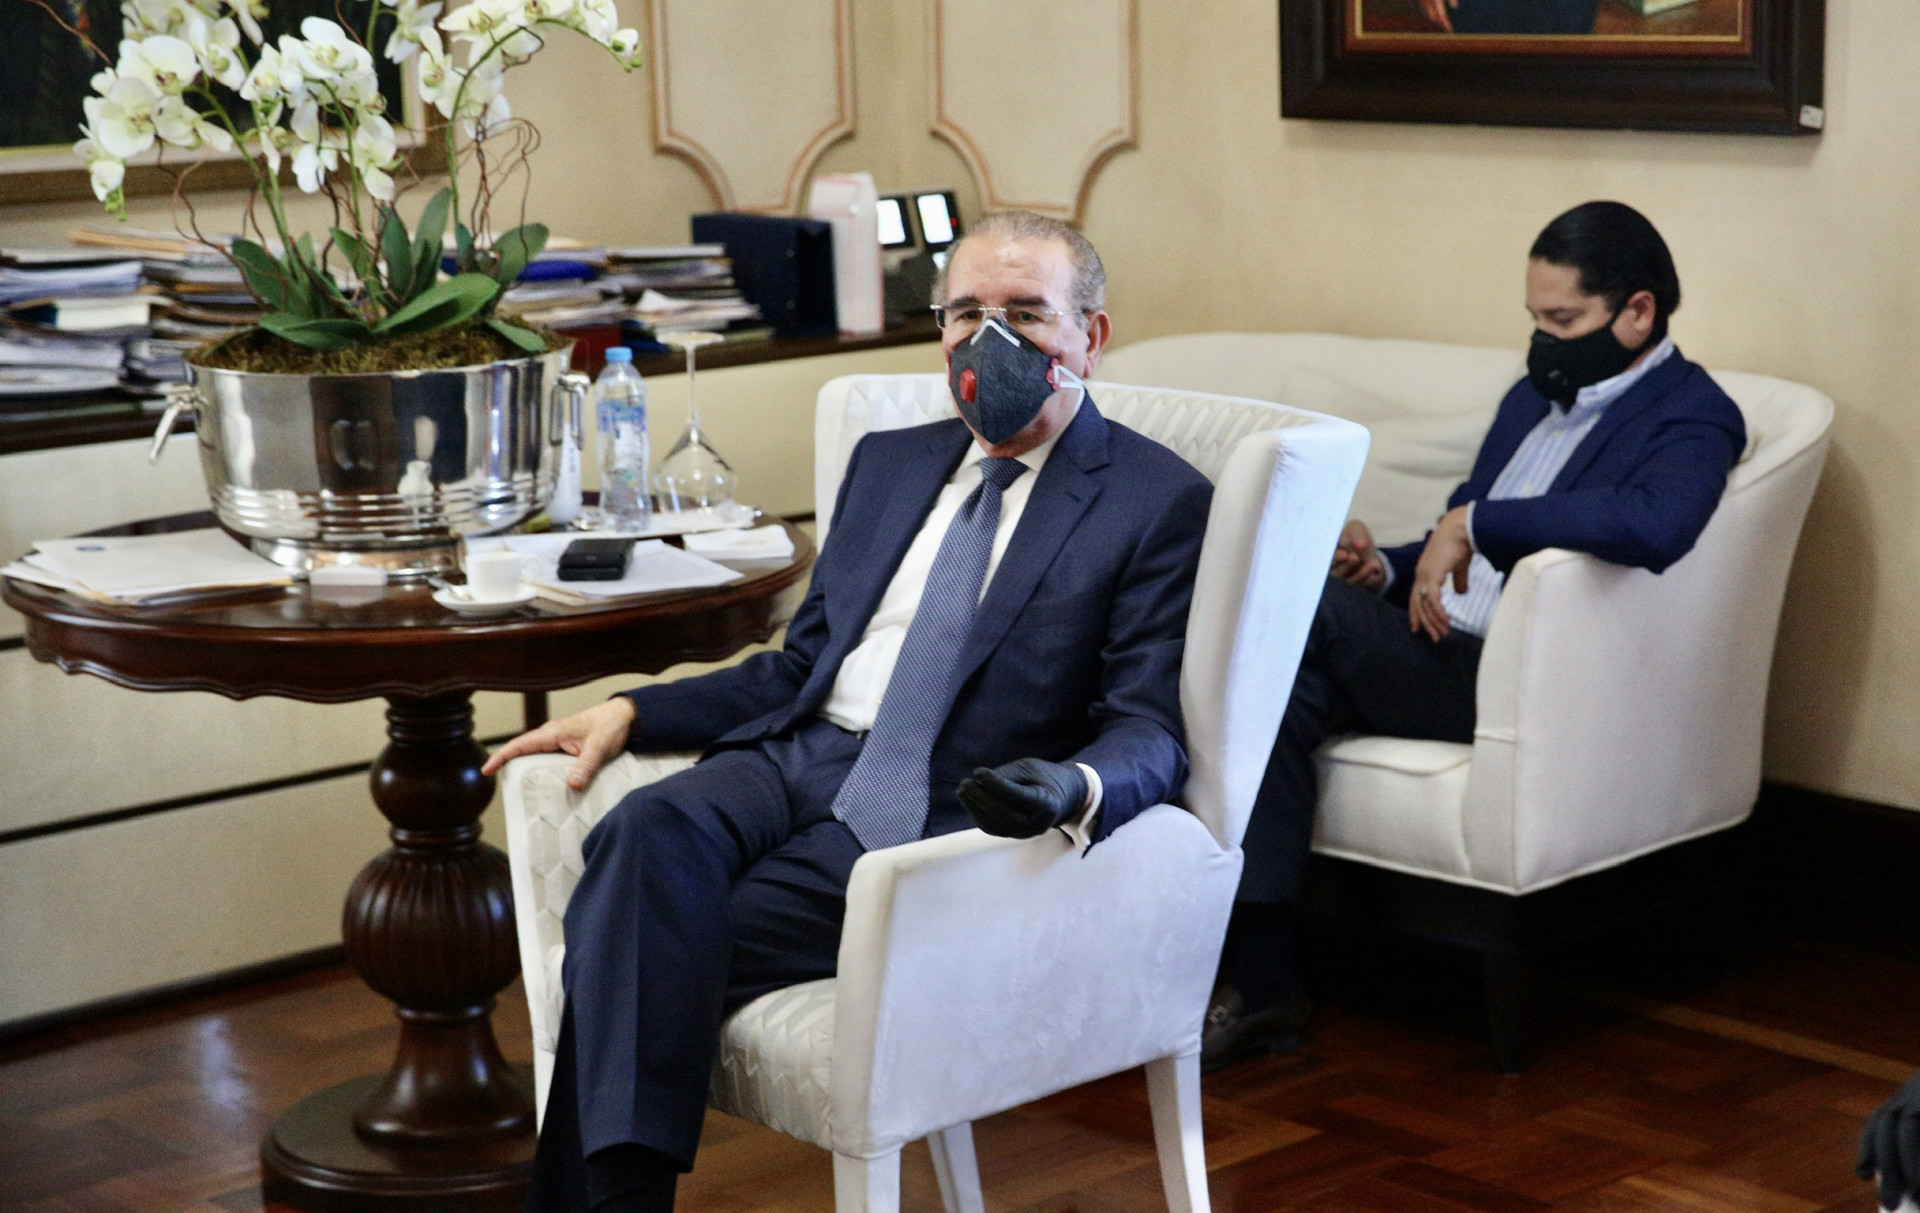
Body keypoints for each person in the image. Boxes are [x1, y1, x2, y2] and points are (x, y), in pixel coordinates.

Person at [482, 209, 1214, 1213]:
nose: (989, 339)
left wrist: (1071, 785)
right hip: (800, 752)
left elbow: (1148, 727)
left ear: (1091, 336)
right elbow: (801, 666)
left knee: (633, 934)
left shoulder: (1154, 498)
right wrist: (633, 710)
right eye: (966, 312)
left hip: (935, 802)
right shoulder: (891, 461)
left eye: (1026, 314)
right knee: (646, 830)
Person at [1201, 201, 1749, 1069]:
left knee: (1283, 606)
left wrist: (1479, 521)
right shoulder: (1531, 398)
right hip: (1434, 643)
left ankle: (1229, 957)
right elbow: (1451, 543)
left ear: (1638, 312)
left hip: (1510, 675)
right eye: (1535, 318)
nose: (1543, 341)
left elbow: (1655, 523)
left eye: (1562, 320)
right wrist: (1383, 570)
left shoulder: (1693, 414)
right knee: (1278, 681)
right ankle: (1263, 981)